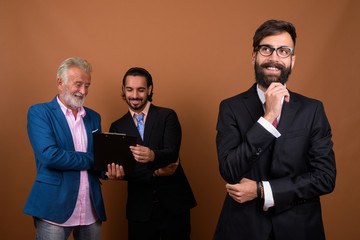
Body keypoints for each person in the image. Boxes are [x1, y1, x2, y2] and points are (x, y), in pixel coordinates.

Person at [213, 20, 336, 240]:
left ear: (292, 60)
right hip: (243, 229)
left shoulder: (312, 110)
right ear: (254, 56)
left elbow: (325, 178)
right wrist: (268, 118)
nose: (274, 58)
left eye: (283, 51)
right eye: (266, 49)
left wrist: (262, 190)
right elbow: (230, 170)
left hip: (300, 229)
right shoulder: (230, 107)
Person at [107, 67, 197, 240]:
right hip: (139, 211)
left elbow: (172, 154)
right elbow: (125, 170)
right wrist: (156, 172)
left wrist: (152, 155)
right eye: (129, 89)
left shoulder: (167, 116)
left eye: (140, 90)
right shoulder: (116, 127)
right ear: (123, 90)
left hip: (175, 206)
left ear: (149, 89)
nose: (134, 95)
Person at [23, 57, 106, 240]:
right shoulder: (40, 113)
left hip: (90, 210)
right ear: (60, 83)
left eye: (87, 85)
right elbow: (49, 156)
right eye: (78, 84)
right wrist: (94, 160)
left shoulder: (94, 117)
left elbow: (100, 159)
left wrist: (109, 169)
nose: (83, 91)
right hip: (53, 208)